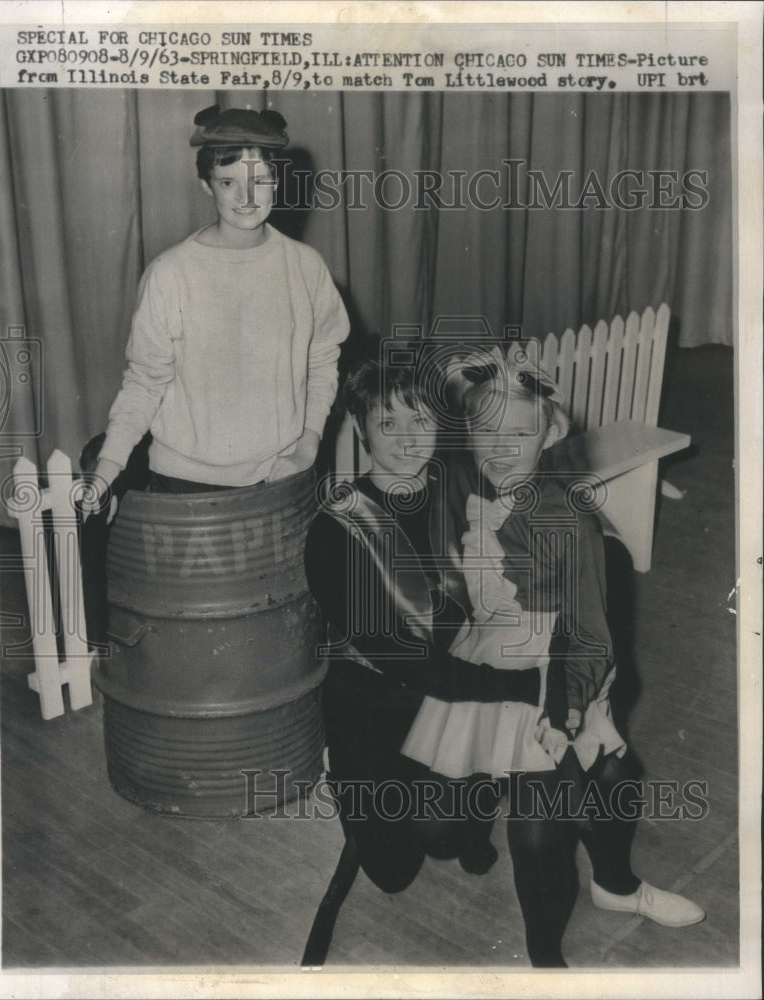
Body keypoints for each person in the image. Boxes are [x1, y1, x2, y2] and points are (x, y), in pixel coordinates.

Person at [400, 342, 705, 967]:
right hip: (486, 660)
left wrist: (563, 714)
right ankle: (482, 809)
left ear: (548, 436)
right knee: (436, 830)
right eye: (488, 430)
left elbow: (592, 636)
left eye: (521, 431)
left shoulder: (567, 516)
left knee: (546, 827)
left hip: (556, 669)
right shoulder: (461, 488)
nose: (503, 447)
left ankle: (570, 939)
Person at [303, 352, 544, 909]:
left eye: (422, 420)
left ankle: (475, 804)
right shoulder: (336, 529)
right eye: (389, 423)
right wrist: (522, 686)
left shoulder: (456, 492)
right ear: (360, 430)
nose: (409, 438)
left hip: (456, 691)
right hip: (376, 711)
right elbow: (406, 660)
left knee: (445, 833)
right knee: (392, 873)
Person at [87, 104, 349, 509]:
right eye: (228, 182)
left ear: (277, 181)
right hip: (184, 484)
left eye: (259, 180)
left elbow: (322, 361)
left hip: (281, 476)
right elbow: (145, 381)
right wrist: (107, 470)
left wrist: (307, 446)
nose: (246, 198)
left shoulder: (305, 266)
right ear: (207, 186)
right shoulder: (170, 273)